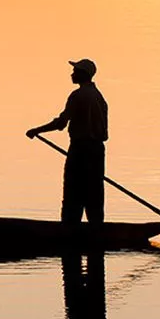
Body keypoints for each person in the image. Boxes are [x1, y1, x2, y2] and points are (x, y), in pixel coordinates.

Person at [26, 59, 109, 224]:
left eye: (75, 71)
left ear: (83, 74)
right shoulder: (99, 97)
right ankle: (96, 230)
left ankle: (69, 231)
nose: (72, 74)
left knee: (73, 194)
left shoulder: (78, 96)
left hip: (80, 150)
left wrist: (37, 130)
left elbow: (61, 123)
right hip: (97, 151)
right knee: (94, 194)